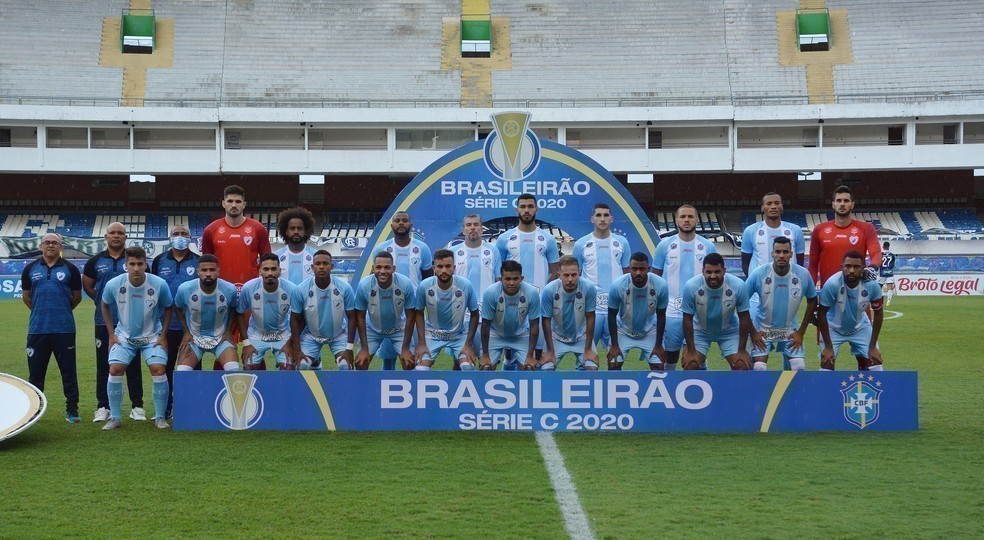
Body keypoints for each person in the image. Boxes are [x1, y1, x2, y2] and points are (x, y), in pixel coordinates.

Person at [99, 246, 173, 430]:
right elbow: (104, 305)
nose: (136, 268)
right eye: (132, 264)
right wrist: (111, 334)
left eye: (140, 264)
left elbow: (169, 307)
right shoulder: (114, 284)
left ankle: (160, 417)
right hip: (124, 337)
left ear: (146, 264)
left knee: (159, 369)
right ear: (126, 265)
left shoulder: (159, 284)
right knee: (115, 369)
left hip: (151, 337)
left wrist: (163, 335)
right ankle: (115, 417)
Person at [83, 222, 144, 422]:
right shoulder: (94, 261)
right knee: (104, 364)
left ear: (126, 237)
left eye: (120, 233)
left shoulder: (135, 259)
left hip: (133, 321)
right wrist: (105, 304)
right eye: (112, 233)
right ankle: (103, 406)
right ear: (106, 236)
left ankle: (137, 406)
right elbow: (89, 288)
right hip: (104, 321)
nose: (116, 236)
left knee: (133, 364)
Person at [22, 233, 82, 422]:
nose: (50, 245)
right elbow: (26, 296)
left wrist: (61, 310)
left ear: (60, 247)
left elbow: (77, 297)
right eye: (47, 242)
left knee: (69, 372)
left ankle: (72, 410)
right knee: (36, 374)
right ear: (41, 246)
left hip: (64, 329)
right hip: (38, 329)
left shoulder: (71, 269)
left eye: (54, 243)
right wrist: (42, 310)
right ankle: (33, 411)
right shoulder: (30, 269)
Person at [652, 205, 717, 370]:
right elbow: (655, 280)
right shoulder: (664, 246)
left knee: (694, 360)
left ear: (696, 219)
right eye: (683, 217)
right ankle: (669, 390)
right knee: (670, 358)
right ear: (676, 220)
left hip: (698, 312)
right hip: (671, 311)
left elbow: (715, 279)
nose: (686, 220)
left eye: (690, 216)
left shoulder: (707, 247)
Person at [496, 193, 559, 357]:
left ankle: (535, 379)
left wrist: (544, 291)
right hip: (511, 300)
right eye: (523, 207)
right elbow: (498, 272)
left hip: (539, 301)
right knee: (510, 352)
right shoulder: (504, 239)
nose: (527, 210)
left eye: (530, 206)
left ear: (536, 209)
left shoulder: (548, 239)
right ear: (517, 209)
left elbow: (555, 271)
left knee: (537, 350)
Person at [743, 237, 818, 371]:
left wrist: (801, 331)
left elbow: (812, 300)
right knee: (759, 367)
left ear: (791, 254)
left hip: (789, 330)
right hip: (764, 330)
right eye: (778, 252)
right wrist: (753, 332)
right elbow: (741, 301)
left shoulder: (802, 274)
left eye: (785, 252)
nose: (781, 255)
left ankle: (791, 392)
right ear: (772, 253)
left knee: (799, 366)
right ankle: (762, 392)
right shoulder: (759, 273)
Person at [151, 225, 199, 420]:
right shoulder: (159, 261)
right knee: (167, 366)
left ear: (191, 238)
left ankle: (193, 406)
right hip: (165, 325)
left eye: (184, 234)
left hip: (192, 326)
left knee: (192, 367)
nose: (180, 237)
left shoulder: (197, 261)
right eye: (176, 234)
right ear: (169, 238)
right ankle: (167, 409)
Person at [680, 253, 753, 371]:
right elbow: (687, 319)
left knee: (742, 366)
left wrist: (741, 350)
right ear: (703, 271)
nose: (713, 276)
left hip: (729, 331)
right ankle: (701, 361)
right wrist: (692, 351)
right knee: (691, 366)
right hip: (700, 331)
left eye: (717, 272)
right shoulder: (691, 286)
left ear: (724, 271)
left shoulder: (738, 285)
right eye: (709, 272)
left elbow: (744, 317)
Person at [572, 203, 630, 349]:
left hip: (615, 308)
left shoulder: (622, 243)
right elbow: (575, 277)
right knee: (587, 356)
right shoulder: (581, 244)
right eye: (598, 215)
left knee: (616, 358)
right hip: (591, 309)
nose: (602, 219)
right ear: (592, 219)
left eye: (606, 215)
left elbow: (627, 275)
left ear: (612, 219)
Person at [815, 251, 885, 371]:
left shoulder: (872, 285)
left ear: (863, 267)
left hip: (860, 327)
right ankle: (825, 390)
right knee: (827, 362)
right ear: (841, 267)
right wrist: (828, 346)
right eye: (848, 266)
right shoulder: (832, 284)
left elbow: (878, 314)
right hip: (833, 329)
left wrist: (872, 346)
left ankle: (870, 389)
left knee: (876, 363)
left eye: (856, 267)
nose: (852, 270)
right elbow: (821, 314)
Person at [172, 254, 241, 374]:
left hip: (220, 339)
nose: (208, 274)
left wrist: (228, 331)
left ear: (218, 271)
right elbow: (177, 307)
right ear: (198, 271)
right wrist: (186, 332)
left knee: (234, 371)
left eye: (212, 270)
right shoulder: (185, 289)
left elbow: (233, 308)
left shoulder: (230, 290)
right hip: (194, 338)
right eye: (204, 270)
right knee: (182, 374)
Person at [289, 250, 357, 370]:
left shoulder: (344, 288)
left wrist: (349, 348)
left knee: (346, 366)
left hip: (338, 335)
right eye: (318, 264)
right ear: (312, 267)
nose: (321, 267)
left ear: (331, 266)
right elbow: (294, 319)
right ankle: (315, 362)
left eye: (325, 264)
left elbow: (352, 317)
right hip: (311, 335)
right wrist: (297, 349)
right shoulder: (301, 289)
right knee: (300, 366)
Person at [413, 249, 479, 370]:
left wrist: (468, 344)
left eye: (448, 266)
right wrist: (422, 343)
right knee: (420, 370)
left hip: (459, 334)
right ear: (434, 268)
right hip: (433, 334)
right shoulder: (424, 286)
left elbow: (475, 313)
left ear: (454, 267)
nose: (444, 270)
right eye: (440, 266)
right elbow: (419, 313)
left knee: (468, 367)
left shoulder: (466, 285)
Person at [353, 251, 417, 370]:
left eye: (387, 267)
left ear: (393, 268)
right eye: (378, 267)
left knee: (409, 363)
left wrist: (405, 348)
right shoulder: (364, 285)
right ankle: (364, 388)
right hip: (372, 328)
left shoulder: (405, 284)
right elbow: (360, 317)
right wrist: (364, 348)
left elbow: (411, 316)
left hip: (398, 328)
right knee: (361, 363)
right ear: (373, 268)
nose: (382, 271)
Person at [605, 252, 668, 371]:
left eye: (642, 269)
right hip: (623, 330)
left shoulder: (660, 285)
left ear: (648, 269)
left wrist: (658, 345)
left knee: (658, 366)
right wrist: (614, 345)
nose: (638, 273)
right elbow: (611, 315)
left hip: (649, 330)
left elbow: (661, 316)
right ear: (629, 268)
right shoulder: (618, 285)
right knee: (613, 365)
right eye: (634, 269)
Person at [201, 185, 272, 290]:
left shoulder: (258, 229)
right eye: (230, 201)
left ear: (244, 205)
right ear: (223, 204)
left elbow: (267, 261)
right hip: (220, 289)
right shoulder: (210, 230)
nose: (234, 205)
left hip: (250, 289)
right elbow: (207, 264)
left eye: (238, 202)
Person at [808, 185, 881, 287]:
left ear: (852, 205)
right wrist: (811, 291)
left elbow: (876, 253)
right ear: (833, 204)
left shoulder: (866, 228)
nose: (842, 204)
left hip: (857, 290)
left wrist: (872, 268)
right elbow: (813, 264)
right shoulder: (819, 230)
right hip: (829, 292)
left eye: (846, 201)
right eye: (839, 201)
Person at [236, 253, 297, 370]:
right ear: (260, 271)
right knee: (249, 367)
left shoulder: (291, 289)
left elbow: (298, 319)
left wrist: (290, 344)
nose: (269, 273)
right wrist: (246, 343)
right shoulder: (249, 288)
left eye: (273, 269)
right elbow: (239, 313)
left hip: (283, 335)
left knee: (288, 369)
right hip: (256, 335)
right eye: (266, 269)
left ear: (279, 271)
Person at [453, 213, 501, 358]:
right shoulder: (455, 252)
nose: (472, 228)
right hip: (460, 312)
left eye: (476, 224)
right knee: (460, 358)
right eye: (469, 225)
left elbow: (498, 281)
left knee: (486, 358)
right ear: (463, 230)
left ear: (482, 229)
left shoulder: (492, 251)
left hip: (486, 313)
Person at [479, 260, 541, 371]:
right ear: (500, 279)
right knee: (486, 368)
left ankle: (509, 362)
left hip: (520, 334)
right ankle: (506, 361)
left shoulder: (531, 293)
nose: (511, 283)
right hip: (495, 334)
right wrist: (485, 354)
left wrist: (530, 355)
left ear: (521, 278)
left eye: (515, 279)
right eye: (507, 279)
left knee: (529, 368)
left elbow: (534, 325)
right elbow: (485, 325)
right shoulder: (491, 292)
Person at [540, 256, 599, 371]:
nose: (570, 279)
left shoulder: (589, 288)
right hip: (556, 337)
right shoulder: (549, 290)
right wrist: (550, 351)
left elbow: (591, 317)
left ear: (579, 274)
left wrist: (588, 349)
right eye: (566, 275)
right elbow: (546, 320)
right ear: (559, 275)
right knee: (546, 368)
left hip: (581, 337)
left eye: (574, 275)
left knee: (592, 368)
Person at [741, 192, 806, 276]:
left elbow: (800, 262)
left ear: (782, 207)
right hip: (760, 285)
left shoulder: (795, 230)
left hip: (788, 282)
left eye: (777, 203)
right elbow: (745, 263)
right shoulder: (750, 231)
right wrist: (754, 280)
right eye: (769, 203)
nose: (773, 207)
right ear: (762, 208)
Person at [372, 211, 433, 286]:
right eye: (397, 221)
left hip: (414, 296)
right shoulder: (381, 249)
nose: (401, 223)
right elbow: (375, 277)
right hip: (389, 296)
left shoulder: (423, 248)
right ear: (391, 226)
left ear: (411, 226)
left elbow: (428, 280)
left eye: (405, 220)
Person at [274, 206, 317, 285]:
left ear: (305, 231)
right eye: (292, 228)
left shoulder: (315, 256)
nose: (296, 232)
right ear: (286, 231)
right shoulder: (276, 256)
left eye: (300, 228)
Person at [879, 241, 896, 306]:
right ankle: (888, 301)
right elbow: (893, 265)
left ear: (883, 246)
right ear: (889, 247)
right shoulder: (892, 255)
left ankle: (880, 301)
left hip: (882, 272)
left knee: (879, 287)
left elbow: (878, 263)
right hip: (889, 272)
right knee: (889, 287)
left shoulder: (881, 254)